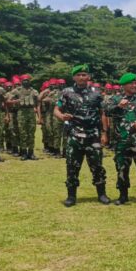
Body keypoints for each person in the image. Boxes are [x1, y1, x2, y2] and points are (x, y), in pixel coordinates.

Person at [54, 64, 110, 207]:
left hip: (93, 136)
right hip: (74, 135)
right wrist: (62, 117)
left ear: (88, 77)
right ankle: (71, 196)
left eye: (84, 74)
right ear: (74, 77)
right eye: (78, 75)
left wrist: (104, 132)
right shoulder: (66, 92)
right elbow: (56, 109)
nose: (81, 77)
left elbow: (102, 113)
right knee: (72, 166)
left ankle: (102, 194)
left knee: (97, 166)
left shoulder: (97, 93)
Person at [104, 73, 136, 205]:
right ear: (124, 85)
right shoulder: (115, 99)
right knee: (121, 168)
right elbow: (107, 112)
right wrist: (118, 106)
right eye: (131, 83)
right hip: (122, 140)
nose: (134, 85)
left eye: (135, 83)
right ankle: (123, 195)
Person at [5, 74, 40, 160]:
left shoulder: (34, 91)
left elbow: (38, 103)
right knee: (23, 133)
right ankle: (24, 153)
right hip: (21, 113)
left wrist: (39, 116)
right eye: (24, 80)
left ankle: (31, 153)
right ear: (21, 82)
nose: (26, 82)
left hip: (31, 113)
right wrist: (15, 101)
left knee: (31, 133)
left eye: (27, 80)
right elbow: (7, 101)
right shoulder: (17, 91)